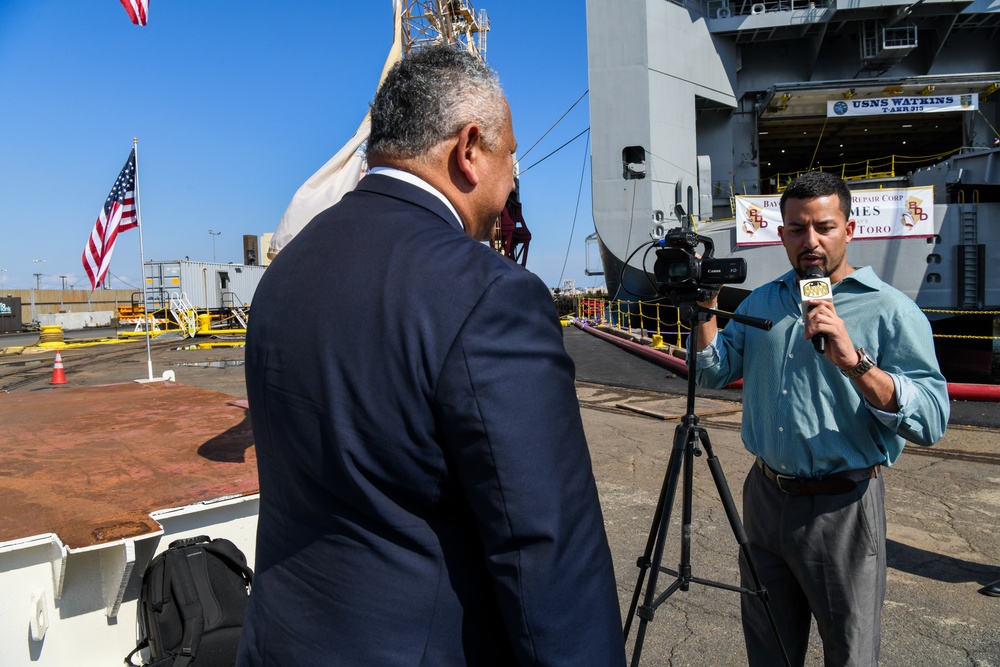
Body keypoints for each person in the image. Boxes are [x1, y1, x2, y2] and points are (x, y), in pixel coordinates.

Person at [236, 46, 625, 666]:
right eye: (511, 156)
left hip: (279, 642)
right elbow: (545, 549)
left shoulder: (286, 273)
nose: (512, 180)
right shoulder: (489, 294)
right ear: (469, 149)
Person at [693, 171, 950, 666]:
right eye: (796, 228)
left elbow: (933, 419)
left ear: (849, 230)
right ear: (782, 233)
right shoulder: (761, 301)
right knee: (769, 648)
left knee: (849, 654)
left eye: (823, 227)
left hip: (843, 505)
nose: (809, 241)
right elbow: (713, 371)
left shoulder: (892, 311)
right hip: (765, 499)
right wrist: (705, 308)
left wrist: (857, 364)